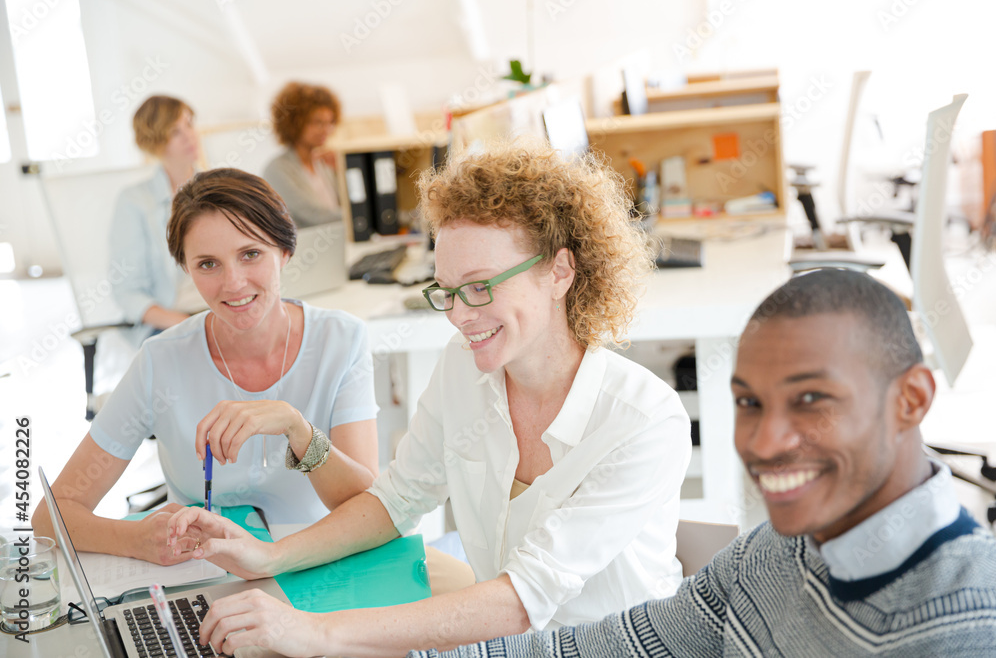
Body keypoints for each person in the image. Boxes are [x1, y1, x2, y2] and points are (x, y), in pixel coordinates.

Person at [167, 139, 693, 657]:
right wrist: (269, 558)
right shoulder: (464, 366)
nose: (461, 316)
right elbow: (396, 501)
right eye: (446, 290)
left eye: (481, 286)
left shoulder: (645, 422)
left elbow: (523, 598)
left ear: (559, 272)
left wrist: (315, 632)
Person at [410, 269, 996, 658]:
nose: (766, 442)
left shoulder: (972, 626)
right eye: (749, 403)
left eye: (812, 400)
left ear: (912, 399)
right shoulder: (775, 551)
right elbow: (615, 644)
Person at [33, 169, 380, 566]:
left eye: (250, 254)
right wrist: (134, 538)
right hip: (205, 577)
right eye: (208, 264)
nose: (233, 283)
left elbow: (366, 505)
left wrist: (295, 428)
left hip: (316, 565)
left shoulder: (342, 341)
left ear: (284, 252)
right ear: (186, 269)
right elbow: (50, 516)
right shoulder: (159, 362)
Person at [110, 95, 203, 343]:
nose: (189, 136)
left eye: (189, 125)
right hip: (172, 323)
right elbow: (128, 292)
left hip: (219, 311)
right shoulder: (134, 201)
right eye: (175, 132)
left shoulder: (219, 188)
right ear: (156, 142)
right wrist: (186, 324)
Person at [263, 81, 343, 228]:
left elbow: (347, 203)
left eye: (329, 122)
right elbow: (310, 214)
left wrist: (342, 171)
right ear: (295, 123)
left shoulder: (324, 164)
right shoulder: (277, 169)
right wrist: (358, 217)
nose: (326, 130)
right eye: (318, 122)